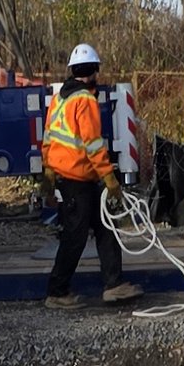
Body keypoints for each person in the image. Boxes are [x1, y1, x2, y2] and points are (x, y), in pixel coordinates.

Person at [42, 44, 137, 304]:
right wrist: (111, 180)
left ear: (72, 71)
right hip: (78, 179)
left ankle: (113, 285)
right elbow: (93, 145)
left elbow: (48, 136)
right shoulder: (85, 101)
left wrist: (48, 173)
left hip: (72, 178)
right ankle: (57, 292)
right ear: (94, 71)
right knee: (75, 236)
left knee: (106, 227)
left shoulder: (60, 99)